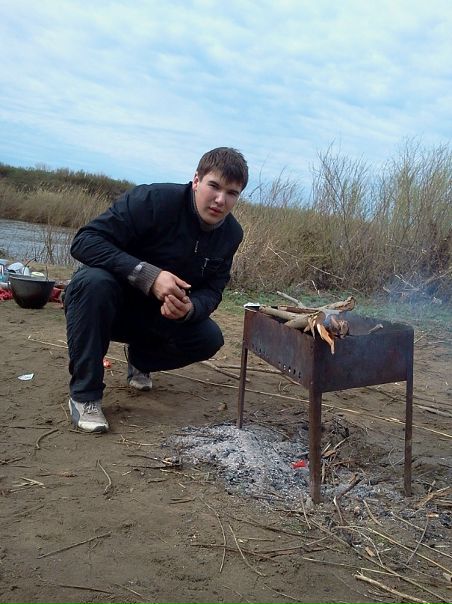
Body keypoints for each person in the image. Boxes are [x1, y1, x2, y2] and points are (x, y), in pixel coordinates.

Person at [64, 147, 248, 433]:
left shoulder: (232, 234)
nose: (220, 200)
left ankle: (140, 359)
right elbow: (85, 241)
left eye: (232, 193)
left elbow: (214, 289)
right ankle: (85, 395)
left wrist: (191, 309)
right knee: (93, 282)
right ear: (196, 180)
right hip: (108, 305)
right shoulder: (152, 199)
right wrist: (148, 276)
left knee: (209, 338)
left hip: (158, 316)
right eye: (214, 186)